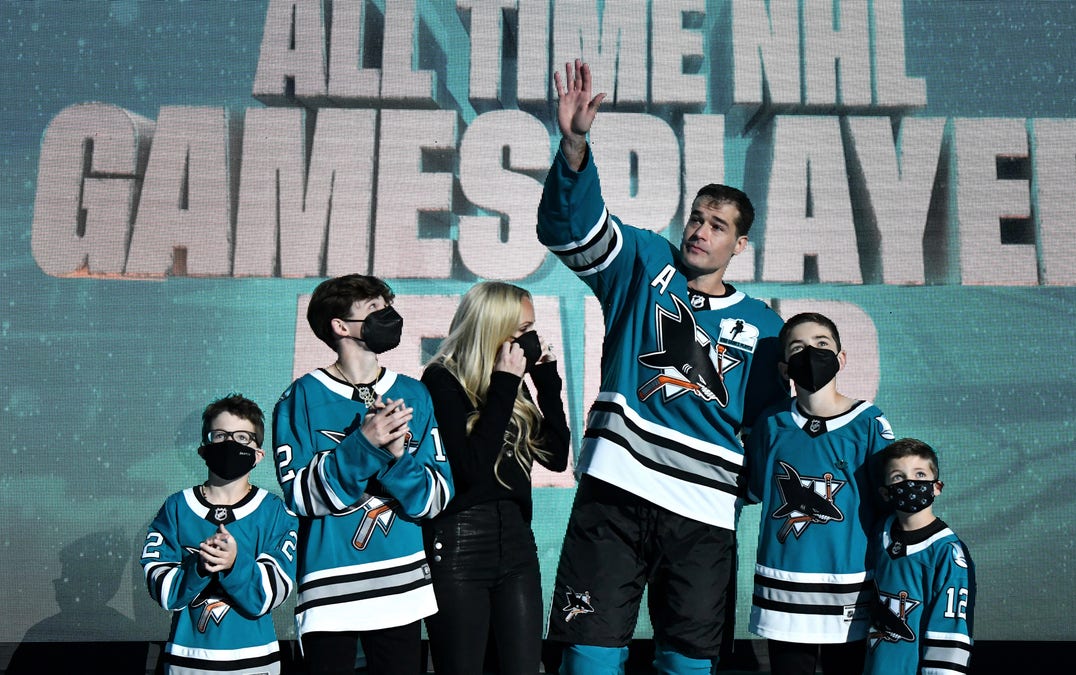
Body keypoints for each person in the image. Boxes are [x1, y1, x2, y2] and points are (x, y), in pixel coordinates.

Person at [539, 59, 788, 674]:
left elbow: (767, 431)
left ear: (740, 245)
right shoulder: (648, 263)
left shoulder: (767, 327)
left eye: (718, 225)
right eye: (698, 218)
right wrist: (574, 145)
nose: (701, 231)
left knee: (688, 665)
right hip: (615, 493)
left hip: (703, 513)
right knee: (588, 658)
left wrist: (738, 490)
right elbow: (573, 229)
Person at [272, 274, 452, 675]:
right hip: (330, 589)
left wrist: (396, 459)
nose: (389, 316)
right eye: (374, 310)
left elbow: (435, 499)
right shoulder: (300, 397)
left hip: (402, 586)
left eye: (387, 307)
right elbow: (302, 497)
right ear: (340, 326)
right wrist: (364, 446)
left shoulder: (415, 393)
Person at [420, 281, 571, 674]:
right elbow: (470, 469)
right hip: (460, 544)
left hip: (517, 543)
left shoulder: (513, 386)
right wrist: (505, 383)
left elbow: (556, 458)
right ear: (491, 328)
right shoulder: (442, 380)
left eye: (531, 329)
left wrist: (547, 383)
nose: (530, 339)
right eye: (521, 330)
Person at [743, 313, 895, 675]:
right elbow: (754, 489)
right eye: (798, 348)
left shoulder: (870, 423)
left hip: (850, 585)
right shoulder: (771, 423)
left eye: (822, 345)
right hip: (784, 586)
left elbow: (887, 506)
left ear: (841, 358)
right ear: (785, 368)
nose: (811, 353)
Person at [140, 394, 298, 675]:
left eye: (242, 438)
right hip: (186, 660)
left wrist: (235, 563)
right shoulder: (177, 507)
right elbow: (163, 590)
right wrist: (199, 566)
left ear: (259, 454)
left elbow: (270, 594)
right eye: (220, 435)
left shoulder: (275, 512)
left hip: (255, 660)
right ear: (203, 449)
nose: (230, 444)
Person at [863, 438, 975, 675]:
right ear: (885, 492)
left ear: (937, 487)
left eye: (920, 475)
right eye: (898, 477)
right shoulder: (878, 534)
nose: (910, 483)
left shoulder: (947, 552)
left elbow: (951, 629)